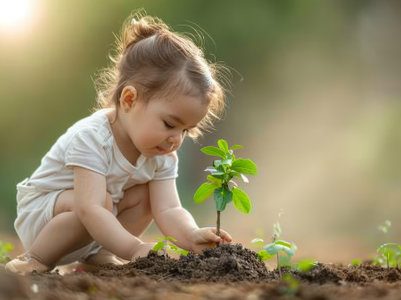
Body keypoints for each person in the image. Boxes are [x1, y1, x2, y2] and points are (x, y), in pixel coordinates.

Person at [5, 13, 232, 275]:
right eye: (170, 124)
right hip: (44, 217)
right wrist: (135, 248)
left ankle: (101, 253)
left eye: (186, 130)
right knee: (97, 200)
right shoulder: (92, 138)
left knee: (147, 197)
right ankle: (36, 258)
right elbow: (88, 208)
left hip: (95, 220)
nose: (176, 139)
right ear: (128, 100)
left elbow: (169, 208)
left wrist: (191, 234)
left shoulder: (162, 154)